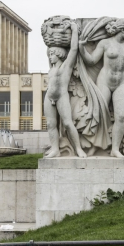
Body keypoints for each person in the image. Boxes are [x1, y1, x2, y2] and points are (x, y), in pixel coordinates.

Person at [79, 18, 124, 158]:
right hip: (104, 81)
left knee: (121, 116)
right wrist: (81, 48)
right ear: (121, 30)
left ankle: (115, 149)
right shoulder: (105, 43)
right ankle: (94, 147)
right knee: (99, 116)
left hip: (121, 83)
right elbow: (92, 61)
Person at [44, 21, 87, 158]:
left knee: (68, 123)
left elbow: (74, 49)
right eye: (49, 54)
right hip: (49, 97)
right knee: (51, 124)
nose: (50, 56)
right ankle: (55, 149)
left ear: (59, 54)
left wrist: (74, 30)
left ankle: (78, 149)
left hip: (62, 96)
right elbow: (47, 48)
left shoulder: (66, 67)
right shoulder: (52, 69)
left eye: (52, 54)